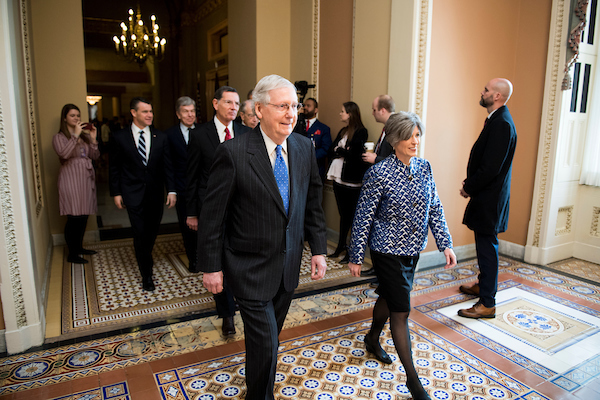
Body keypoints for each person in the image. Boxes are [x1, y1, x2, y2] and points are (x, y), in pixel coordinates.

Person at [197, 74, 328, 399]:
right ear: (259, 110)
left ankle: (258, 385)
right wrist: (211, 267)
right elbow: (213, 217)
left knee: (265, 342)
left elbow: (312, 201)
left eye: (294, 106)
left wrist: (318, 249)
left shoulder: (302, 146)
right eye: (283, 106)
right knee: (267, 341)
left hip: (287, 267)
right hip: (248, 267)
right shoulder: (234, 153)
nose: (291, 113)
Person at [348, 111, 457, 400]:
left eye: (417, 135)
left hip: (412, 250)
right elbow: (363, 217)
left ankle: (372, 338)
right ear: (394, 139)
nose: (414, 140)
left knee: (388, 296)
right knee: (401, 310)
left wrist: (445, 243)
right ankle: (413, 382)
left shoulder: (424, 168)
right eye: (408, 135)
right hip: (386, 250)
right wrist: (356, 254)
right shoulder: (378, 173)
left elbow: (435, 207)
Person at [186, 86, 251, 336]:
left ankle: (244, 304)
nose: (234, 107)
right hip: (211, 209)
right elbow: (191, 176)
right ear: (215, 104)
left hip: (241, 209)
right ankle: (227, 315)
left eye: (237, 103)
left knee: (239, 259)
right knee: (218, 260)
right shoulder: (199, 135)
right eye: (228, 103)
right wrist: (192, 212)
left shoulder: (246, 132)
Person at [458, 78, 517, 319]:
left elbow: (491, 167)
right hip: (487, 196)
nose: (481, 92)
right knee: (484, 246)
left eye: (486, 90)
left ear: (497, 97)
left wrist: (469, 187)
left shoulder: (502, 123)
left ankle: (487, 303)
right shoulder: (497, 119)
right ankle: (483, 286)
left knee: (487, 249)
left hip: (489, 199)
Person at [109, 97, 177, 292]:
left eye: (151, 112)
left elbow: (167, 166)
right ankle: (146, 274)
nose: (150, 115)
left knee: (151, 232)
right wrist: (116, 192)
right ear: (134, 112)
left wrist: (171, 190)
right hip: (132, 193)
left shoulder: (160, 137)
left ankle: (145, 255)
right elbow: (114, 168)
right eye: (145, 111)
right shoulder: (119, 137)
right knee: (140, 232)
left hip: (155, 194)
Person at [53, 104, 100, 264]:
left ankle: (79, 248)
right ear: (65, 118)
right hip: (70, 179)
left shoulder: (84, 136)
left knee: (83, 215)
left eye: (78, 115)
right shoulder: (59, 137)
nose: (77, 118)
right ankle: (72, 253)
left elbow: (95, 155)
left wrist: (93, 138)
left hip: (86, 179)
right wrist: (75, 135)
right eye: (73, 115)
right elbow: (64, 154)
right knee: (73, 216)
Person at [326, 101, 369, 264]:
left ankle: (351, 250)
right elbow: (331, 149)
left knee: (351, 216)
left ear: (350, 114)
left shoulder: (361, 132)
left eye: (342, 111)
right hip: (337, 176)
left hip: (351, 179)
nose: (340, 114)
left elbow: (355, 155)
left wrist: (341, 151)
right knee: (343, 215)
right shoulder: (344, 131)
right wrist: (342, 151)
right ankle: (340, 246)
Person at [361, 95, 396, 277]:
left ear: (383, 110)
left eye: (374, 109)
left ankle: (383, 275)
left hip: (389, 190)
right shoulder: (385, 129)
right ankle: (377, 268)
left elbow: (399, 161)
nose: (372, 113)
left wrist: (377, 159)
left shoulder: (397, 129)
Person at [165, 96, 198, 273]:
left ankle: (204, 258)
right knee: (187, 227)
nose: (190, 115)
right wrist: (171, 190)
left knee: (204, 225)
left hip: (201, 188)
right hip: (182, 188)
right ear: (178, 114)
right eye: (186, 111)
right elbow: (168, 166)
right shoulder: (169, 135)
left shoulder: (202, 131)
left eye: (192, 111)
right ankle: (193, 259)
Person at [302, 98, 332, 181]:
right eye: (304, 105)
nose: (305, 108)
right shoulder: (296, 126)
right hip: (298, 169)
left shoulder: (323, 128)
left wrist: (310, 156)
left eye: (308, 106)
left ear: (316, 110)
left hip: (316, 170)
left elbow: (326, 148)